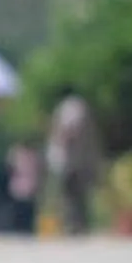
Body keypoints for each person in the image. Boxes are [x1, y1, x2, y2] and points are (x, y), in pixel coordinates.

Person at [46, 90, 101, 235]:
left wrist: (61, 139)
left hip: (71, 160)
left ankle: (74, 224)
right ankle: (77, 224)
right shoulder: (79, 106)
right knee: (76, 194)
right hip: (78, 159)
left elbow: (68, 129)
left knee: (71, 194)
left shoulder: (70, 107)